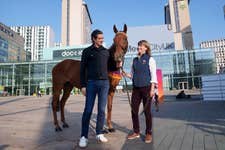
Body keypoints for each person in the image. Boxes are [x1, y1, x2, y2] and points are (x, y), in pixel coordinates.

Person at [79, 29, 110, 148]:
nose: (102, 40)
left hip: (104, 84)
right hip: (91, 83)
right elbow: (82, 70)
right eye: (100, 38)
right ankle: (83, 136)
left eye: (102, 38)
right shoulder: (87, 51)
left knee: (102, 110)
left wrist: (119, 64)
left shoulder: (106, 52)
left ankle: (99, 133)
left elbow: (111, 66)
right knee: (88, 110)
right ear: (93, 39)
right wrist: (82, 85)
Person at [123, 40, 157, 143]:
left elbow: (154, 75)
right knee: (133, 111)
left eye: (141, 46)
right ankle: (136, 132)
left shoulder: (150, 59)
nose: (139, 48)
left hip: (147, 88)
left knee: (147, 112)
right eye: (138, 46)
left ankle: (148, 133)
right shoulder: (134, 60)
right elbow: (132, 75)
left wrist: (152, 89)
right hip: (136, 89)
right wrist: (125, 74)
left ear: (146, 48)